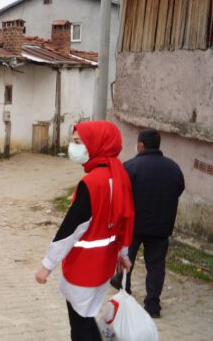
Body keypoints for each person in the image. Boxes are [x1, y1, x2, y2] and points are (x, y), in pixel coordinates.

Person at [35, 121, 134, 341]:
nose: (74, 147)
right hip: (104, 265)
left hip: (83, 267)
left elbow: (70, 229)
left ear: (96, 144)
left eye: (78, 142)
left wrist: (47, 266)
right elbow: (125, 219)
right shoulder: (119, 176)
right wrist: (123, 253)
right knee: (87, 317)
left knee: (79, 325)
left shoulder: (92, 182)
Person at [110, 129, 185, 318]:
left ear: (141, 145)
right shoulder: (173, 168)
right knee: (156, 265)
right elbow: (179, 189)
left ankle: (124, 290)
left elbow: (120, 195)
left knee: (127, 257)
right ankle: (153, 305)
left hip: (133, 226)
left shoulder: (130, 167)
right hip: (161, 227)